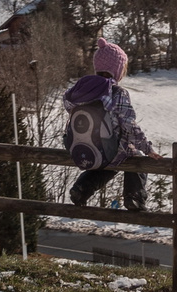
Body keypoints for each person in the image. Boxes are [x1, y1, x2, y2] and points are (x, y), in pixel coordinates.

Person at [64, 38, 158, 211]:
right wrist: (147, 148)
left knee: (107, 165)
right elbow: (129, 126)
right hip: (108, 147)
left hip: (81, 145)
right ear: (117, 70)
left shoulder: (84, 88)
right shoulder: (116, 92)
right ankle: (134, 197)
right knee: (134, 157)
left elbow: (68, 104)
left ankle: (82, 188)